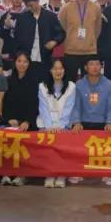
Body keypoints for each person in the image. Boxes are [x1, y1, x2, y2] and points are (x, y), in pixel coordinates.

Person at [71, 56, 111, 186]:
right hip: (84, 122)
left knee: (110, 138)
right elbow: (76, 106)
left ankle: (108, 172)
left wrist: (110, 122)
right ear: (86, 67)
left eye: (97, 64)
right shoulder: (79, 85)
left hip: (102, 123)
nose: (95, 67)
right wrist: (76, 122)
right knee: (76, 136)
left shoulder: (109, 84)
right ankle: (77, 171)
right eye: (91, 64)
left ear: (101, 67)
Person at [1, 51, 40, 186]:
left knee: (24, 143)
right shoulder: (8, 80)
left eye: (25, 61)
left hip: (27, 122)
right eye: (19, 61)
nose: (22, 64)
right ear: (15, 63)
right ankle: (6, 173)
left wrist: (27, 121)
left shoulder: (34, 82)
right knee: (5, 141)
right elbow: (5, 103)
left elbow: (34, 104)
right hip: (11, 120)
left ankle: (22, 174)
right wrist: (8, 119)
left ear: (29, 64)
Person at [39, 57, 76, 188]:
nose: (58, 71)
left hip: (63, 125)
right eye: (55, 69)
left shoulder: (71, 87)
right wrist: (50, 126)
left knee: (62, 147)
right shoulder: (42, 86)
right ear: (50, 70)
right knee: (47, 147)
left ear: (64, 70)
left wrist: (60, 126)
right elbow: (43, 108)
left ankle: (61, 175)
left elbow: (69, 109)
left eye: (60, 68)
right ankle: (49, 174)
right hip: (46, 124)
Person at [12, 0, 65, 79]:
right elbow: (17, 38)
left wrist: (54, 42)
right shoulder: (22, 18)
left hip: (45, 58)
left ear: (38, 1)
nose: (29, 8)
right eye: (27, 6)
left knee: (43, 83)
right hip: (26, 60)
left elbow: (61, 33)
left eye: (31, 5)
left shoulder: (50, 16)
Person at [58, 0, 103, 81]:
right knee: (70, 82)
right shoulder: (66, 8)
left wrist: (90, 40)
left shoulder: (95, 8)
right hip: (71, 51)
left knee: (89, 81)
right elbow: (62, 27)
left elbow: (97, 29)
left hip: (90, 51)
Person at [0, 0, 26, 66]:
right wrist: (6, 27)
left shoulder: (28, 14)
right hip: (8, 52)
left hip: (24, 53)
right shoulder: (6, 15)